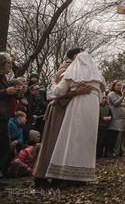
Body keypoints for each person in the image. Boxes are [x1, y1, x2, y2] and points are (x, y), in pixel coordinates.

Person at [45, 51, 104, 185]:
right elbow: (100, 98)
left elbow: (56, 92)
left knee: (70, 139)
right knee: (87, 141)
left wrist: (53, 83)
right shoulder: (97, 77)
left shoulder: (70, 74)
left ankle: (66, 174)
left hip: (76, 108)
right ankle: (83, 175)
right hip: (92, 110)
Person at [33, 48, 88, 188]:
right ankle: (42, 177)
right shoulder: (65, 70)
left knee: (61, 144)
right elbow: (53, 94)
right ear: (75, 56)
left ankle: (60, 176)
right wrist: (78, 92)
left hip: (64, 109)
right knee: (53, 143)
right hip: (59, 110)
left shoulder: (70, 68)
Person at [0, 52, 18, 178]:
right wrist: (6, 91)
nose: (10, 65)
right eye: (8, 63)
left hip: (4, 116)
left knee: (5, 147)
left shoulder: (4, 78)